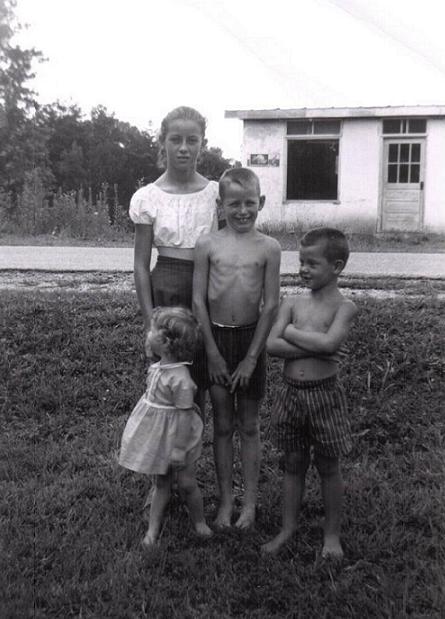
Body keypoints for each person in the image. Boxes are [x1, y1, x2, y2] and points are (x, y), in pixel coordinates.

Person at [261, 227, 358, 559]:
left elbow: (331, 344)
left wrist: (290, 332)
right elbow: (272, 345)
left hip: (324, 396)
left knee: (328, 465)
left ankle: (332, 536)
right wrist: (312, 344)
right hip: (291, 394)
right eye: (301, 262)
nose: (303, 269)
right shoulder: (292, 302)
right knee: (293, 462)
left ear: (337, 266)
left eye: (312, 263)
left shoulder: (345, 307)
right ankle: (287, 529)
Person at [193, 167, 281, 529]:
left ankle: (250, 503)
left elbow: (271, 305)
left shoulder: (269, 247)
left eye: (249, 203)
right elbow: (198, 301)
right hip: (214, 339)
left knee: (248, 424)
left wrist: (251, 358)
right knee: (222, 424)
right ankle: (226, 501)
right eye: (234, 204)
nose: (242, 211)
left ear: (261, 202)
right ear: (221, 205)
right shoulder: (207, 244)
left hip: (249, 341)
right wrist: (212, 352)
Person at [129, 105, 220, 396]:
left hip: (206, 288)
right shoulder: (148, 197)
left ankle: (195, 426)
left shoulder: (215, 194)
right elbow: (141, 266)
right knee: (167, 379)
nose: (183, 148)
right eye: (175, 139)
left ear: (202, 144)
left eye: (192, 140)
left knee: (198, 379)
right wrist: (149, 321)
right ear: (162, 142)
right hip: (165, 291)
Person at [119, 306, 213, 547]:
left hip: (179, 438)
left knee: (187, 483)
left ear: (166, 343)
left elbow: (184, 416)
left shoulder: (181, 379)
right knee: (161, 483)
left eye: (152, 331)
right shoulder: (159, 366)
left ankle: (199, 521)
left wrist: (179, 448)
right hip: (160, 436)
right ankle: (153, 530)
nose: (147, 334)